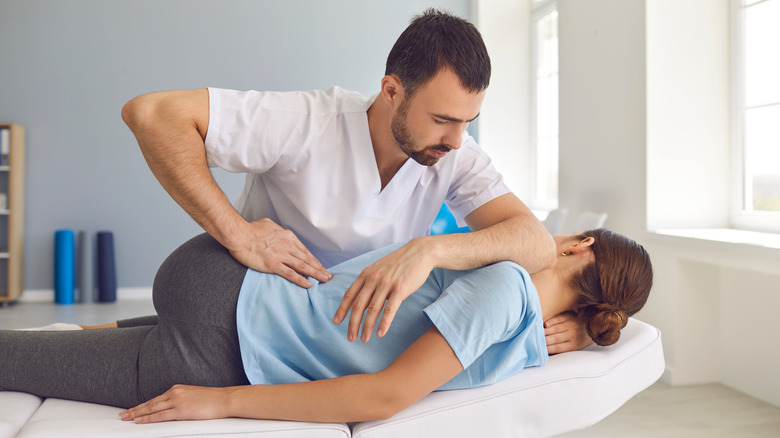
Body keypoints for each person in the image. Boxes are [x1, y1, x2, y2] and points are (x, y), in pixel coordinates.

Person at [120, 9, 593, 352]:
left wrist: (427, 250)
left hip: (343, 326)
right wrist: (237, 233)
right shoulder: (307, 120)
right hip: (251, 305)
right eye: (443, 119)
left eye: (468, 121)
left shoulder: (454, 152)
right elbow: (153, 115)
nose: (456, 139)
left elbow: (533, 242)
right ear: (391, 90)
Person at [0, 229, 652, 424]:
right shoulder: (510, 299)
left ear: (578, 245)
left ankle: (100, 333)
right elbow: (386, 391)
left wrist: (221, 401)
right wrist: (219, 397)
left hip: (224, 304)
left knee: (23, 354)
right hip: (221, 327)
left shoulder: (506, 293)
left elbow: (383, 394)